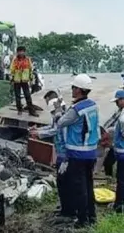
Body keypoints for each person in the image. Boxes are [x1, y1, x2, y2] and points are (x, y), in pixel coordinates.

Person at [56, 73, 100, 229]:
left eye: (73, 87)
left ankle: (82, 220)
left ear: (79, 90)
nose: (72, 90)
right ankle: (92, 215)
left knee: (79, 188)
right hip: (91, 152)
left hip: (77, 154)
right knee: (88, 185)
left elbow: (61, 122)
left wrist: (58, 111)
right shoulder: (92, 104)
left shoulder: (76, 109)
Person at [30, 90, 73, 220]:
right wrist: (37, 130)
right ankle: (65, 207)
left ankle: (68, 210)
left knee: (64, 183)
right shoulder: (59, 116)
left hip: (65, 155)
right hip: (61, 153)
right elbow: (51, 126)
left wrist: (39, 134)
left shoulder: (62, 118)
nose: (53, 115)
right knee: (62, 183)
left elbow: (55, 130)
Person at [9, 46, 38, 116]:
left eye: (22, 51)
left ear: (24, 52)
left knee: (28, 96)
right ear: (17, 52)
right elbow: (11, 70)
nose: (21, 53)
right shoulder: (15, 60)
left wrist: (31, 79)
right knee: (17, 96)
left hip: (25, 81)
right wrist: (11, 79)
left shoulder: (28, 60)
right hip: (17, 81)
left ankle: (31, 111)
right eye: (19, 51)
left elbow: (31, 69)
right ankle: (19, 109)